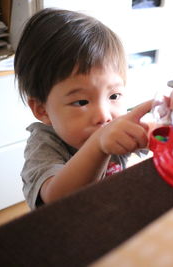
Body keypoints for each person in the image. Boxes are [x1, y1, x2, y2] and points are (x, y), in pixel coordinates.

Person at [14, 8, 153, 209]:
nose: (104, 116)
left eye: (113, 96)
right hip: (69, 233)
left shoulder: (115, 124)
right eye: (81, 102)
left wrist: (169, 118)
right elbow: (57, 200)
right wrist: (98, 145)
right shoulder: (45, 145)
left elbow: (162, 138)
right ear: (42, 110)